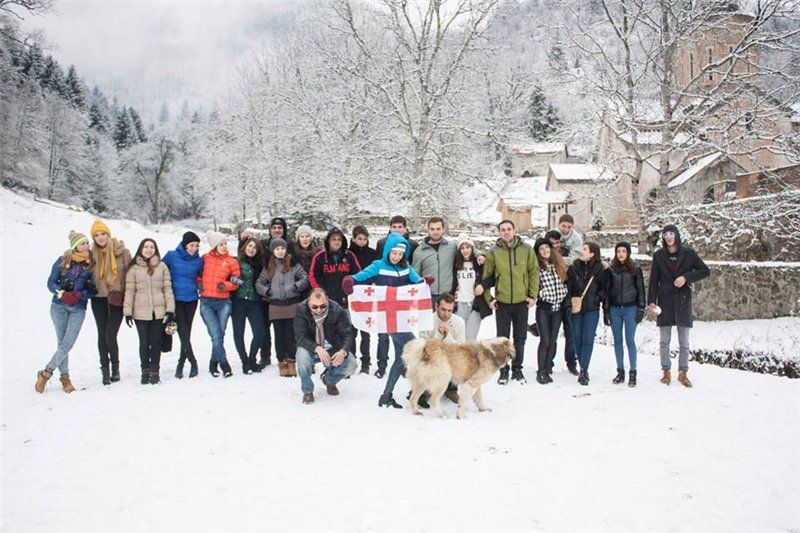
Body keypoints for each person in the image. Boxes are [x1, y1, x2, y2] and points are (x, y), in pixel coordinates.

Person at [342, 233, 432, 409]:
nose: (397, 257)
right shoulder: (378, 266)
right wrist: (350, 280)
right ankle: (417, 392)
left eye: (400, 254)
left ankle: (386, 395)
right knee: (417, 349)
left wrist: (424, 282)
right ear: (387, 251)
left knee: (401, 359)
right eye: (394, 253)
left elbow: (416, 281)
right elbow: (361, 277)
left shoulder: (406, 267)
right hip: (389, 317)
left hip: (403, 317)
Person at [648, 225, 710, 387]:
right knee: (664, 340)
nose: (669, 237)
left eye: (672, 234)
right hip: (665, 299)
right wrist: (651, 301)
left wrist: (686, 278)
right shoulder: (659, 255)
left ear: (676, 235)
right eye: (666, 235)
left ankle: (683, 372)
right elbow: (654, 279)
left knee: (684, 341)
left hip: (682, 299)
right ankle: (666, 371)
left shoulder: (688, 254)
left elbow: (705, 270)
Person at [36, 231, 95, 394]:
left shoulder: (91, 264)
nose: (86, 246)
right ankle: (65, 377)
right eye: (82, 243)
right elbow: (50, 282)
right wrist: (61, 293)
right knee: (62, 342)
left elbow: (92, 290)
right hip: (59, 306)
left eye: (87, 243)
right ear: (75, 246)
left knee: (67, 343)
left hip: (78, 308)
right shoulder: (63, 261)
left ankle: (46, 372)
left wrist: (80, 294)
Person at [482, 220, 539, 385]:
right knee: (502, 339)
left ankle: (517, 368)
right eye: (502, 230)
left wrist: (532, 295)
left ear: (515, 230)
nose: (506, 232)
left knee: (520, 337)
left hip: (522, 302)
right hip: (503, 302)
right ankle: (503, 369)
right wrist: (489, 299)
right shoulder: (493, 252)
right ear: (499, 232)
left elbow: (534, 273)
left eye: (509, 229)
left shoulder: (526, 250)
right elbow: (486, 278)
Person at [123, 238, 175, 385]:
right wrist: (127, 312)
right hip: (140, 311)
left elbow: (167, 289)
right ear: (141, 249)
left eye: (152, 247)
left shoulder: (162, 267)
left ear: (156, 250)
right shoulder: (133, 269)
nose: (149, 250)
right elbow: (130, 291)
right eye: (146, 247)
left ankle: (155, 371)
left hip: (159, 311)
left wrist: (170, 309)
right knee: (144, 342)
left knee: (156, 341)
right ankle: (145, 370)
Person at [294, 288, 358, 404]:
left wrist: (343, 351)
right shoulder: (301, 310)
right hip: (311, 348)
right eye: (314, 307)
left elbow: (347, 334)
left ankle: (329, 380)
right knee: (302, 357)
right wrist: (317, 348)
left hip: (332, 347)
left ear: (328, 300)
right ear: (308, 302)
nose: (319, 310)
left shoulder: (338, 310)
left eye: (323, 306)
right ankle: (307, 391)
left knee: (352, 364)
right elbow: (300, 336)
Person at [373, 215, 419, 379]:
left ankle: (403, 365)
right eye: (395, 226)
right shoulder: (381, 243)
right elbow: (378, 265)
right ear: (390, 228)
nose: (398, 229)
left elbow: (412, 268)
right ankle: (382, 364)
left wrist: (417, 284)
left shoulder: (413, 245)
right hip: (386, 295)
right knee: (383, 335)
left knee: (401, 334)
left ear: (406, 228)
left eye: (401, 227)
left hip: (404, 294)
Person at [256, 238, 309, 377]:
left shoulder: (292, 263)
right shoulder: (269, 266)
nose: (281, 251)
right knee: (278, 336)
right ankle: (281, 362)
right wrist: (266, 291)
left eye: (283, 249)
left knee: (291, 335)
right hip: (275, 305)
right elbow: (259, 283)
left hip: (292, 304)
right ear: (273, 251)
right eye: (277, 249)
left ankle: (292, 361)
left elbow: (305, 277)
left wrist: (296, 286)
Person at [88, 220, 132, 385]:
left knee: (110, 334)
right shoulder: (91, 254)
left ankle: (115, 368)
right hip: (98, 298)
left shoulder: (122, 252)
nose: (100, 238)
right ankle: (105, 371)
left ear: (108, 234)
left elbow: (130, 274)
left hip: (117, 298)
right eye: (96, 235)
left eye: (102, 234)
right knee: (101, 334)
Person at [603, 242, 646, 387]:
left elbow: (640, 289)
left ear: (628, 253)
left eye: (624, 251)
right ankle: (620, 371)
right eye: (618, 251)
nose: (621, 254)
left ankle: (633, 372)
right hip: (615, 309)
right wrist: (606, 310)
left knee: (630, 340)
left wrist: (641, 308)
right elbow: (607, 291)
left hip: (630, 308)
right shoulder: (611, 270)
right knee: (617, 341)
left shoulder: (635, 269)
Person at [199, 231, 241, 378]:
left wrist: (227, 285)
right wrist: (199, 283)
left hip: (223, 303)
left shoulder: (231, 261)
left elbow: (238, 281)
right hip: (206, 302)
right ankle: (224, 363)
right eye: (220, 244)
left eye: (225, 243)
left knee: (219, 335)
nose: (224, 246)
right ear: (213, 246)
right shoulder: (204, 259)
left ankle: (213, 362)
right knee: (216, 335)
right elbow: (198, 273)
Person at [163, 231, 204, 379]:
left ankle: (182, 362)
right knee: (183, 332)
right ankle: (190, 362)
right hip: (176, 300)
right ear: (185, 244)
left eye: (197, 245)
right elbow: (160, 271)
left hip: (192, 299)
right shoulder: (171, 256)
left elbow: (201, 276)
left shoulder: (198, 261)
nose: (194, 248)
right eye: (192, 245)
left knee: (186, 332)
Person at [567, 242, 606, 386]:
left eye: (585, 249)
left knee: (588, 339)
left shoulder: (600, 269)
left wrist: (596, 298)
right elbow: (569, 287)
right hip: (576, 308)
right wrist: (570, 303)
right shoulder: (573, 268)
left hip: (592, 309)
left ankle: (584, 369)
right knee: (577, 338)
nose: (581, 251)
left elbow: (604, 288)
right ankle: (583, 366)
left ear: (592, 254)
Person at [532, 238, 568, 384]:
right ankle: (541, 371)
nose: (545, 250)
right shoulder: (537, 267)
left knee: (553, 341)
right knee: (545, 341)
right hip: (544, 309)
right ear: (538, 252)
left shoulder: (558, 264)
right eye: (541, 249)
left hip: (558, 308)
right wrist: (540, 294)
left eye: (546, 247)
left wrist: (564, 291)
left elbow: (566, 281)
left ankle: (547, 368)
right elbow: (533, 284)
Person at [418, 294, 465, 404]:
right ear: (436, 306)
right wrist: (438, 335)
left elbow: (461, 349)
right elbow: (423, 349)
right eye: (443, 309)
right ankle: (426, 388)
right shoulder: (426, 321)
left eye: (450, 310)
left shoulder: (459, 322)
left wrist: (447, 336)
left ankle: (451, 389)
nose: (446, 314)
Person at [232, 237, 266, 375]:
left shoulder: (260, 264)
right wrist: (234, 280)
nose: (251, 249)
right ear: (245, 246)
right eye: (250, 246)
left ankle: (252, 358)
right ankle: (244, 361)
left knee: (260, 332)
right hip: (238, 301)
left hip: (254, 301)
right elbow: (228, 276)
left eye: (255, 248)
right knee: (238, 333)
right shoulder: (236, 261)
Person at [545, 229, 578, 375]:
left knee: (571, 334)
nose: (556, 246)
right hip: (552, 299)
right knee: (552, 335)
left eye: (558, 243)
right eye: (552, 244)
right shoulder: (543, 257)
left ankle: (571, 363)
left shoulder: (567, 254)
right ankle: (548, 363)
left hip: (568, 298)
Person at [451, 233, 492, 341]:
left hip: (475, 304)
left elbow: (492, 278)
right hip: (460, 303)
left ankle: (471, 358)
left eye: (468, 247)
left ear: (472, 248)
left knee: (470, 337)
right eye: (462, 248)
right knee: (459, 337)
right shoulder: (455, 264)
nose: (465, 250)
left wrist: (482, 286)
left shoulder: (479, 262)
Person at [308, 227, 361, 310]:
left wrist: (351, 290)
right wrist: (321, 292)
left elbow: (358, 274)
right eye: (334, 239)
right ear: (328, 241)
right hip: (326, 302)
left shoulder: (350, 256)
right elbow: (313, 276)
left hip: (346, 301)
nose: (337, 242)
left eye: (339, 239)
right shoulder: (320, 257)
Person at [348, 225, 377, 373]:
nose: (362, 241)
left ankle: (366, 362)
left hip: (367, 294)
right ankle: (351, 361)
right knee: (351, 332)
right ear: (353, 239)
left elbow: (376, 271)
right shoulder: (348, 253)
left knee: (366, 331)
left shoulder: (372, 254)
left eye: (365, 239)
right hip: (352, 295)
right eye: (359, 239)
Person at [412, 216, 457, 302]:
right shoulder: (419, 251)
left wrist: (479, 255)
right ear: (428, 230)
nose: (435, 232)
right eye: (432, 229)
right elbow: (415, 276)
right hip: (427, 295)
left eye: (438, 229)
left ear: (443, 229)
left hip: (447, 295)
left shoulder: (452, 247)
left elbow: (468, 251)